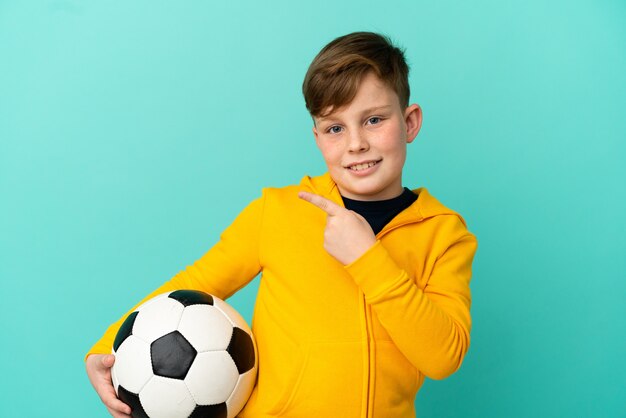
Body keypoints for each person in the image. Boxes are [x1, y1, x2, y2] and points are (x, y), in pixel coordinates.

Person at [85, 31, 478, 418]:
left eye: (374, 120)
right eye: (335, 128)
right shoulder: (277, 213)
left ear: (409, 123)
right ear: (318, 137)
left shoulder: (444, 234)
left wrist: (368, 258)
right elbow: (193, 285)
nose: (356, 143)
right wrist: (105, 351)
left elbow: (443, 357)